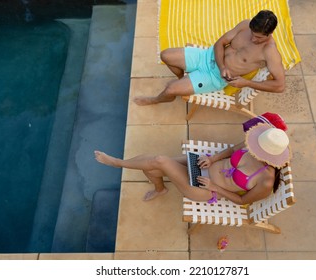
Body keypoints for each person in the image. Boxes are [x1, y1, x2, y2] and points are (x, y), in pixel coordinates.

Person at [94, 122, 291, 205]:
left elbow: (242, 201)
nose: (253, 147)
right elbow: (231, 150)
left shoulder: (265, 181)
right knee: (154, 164)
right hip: (202, 165)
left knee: (159, 161)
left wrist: (214, 186)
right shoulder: (253, 142)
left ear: (269, 156)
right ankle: (160, 189)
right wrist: (212, 159)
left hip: (207, 190)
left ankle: (118, 163)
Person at [134, 10, 285, 106]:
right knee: (165, 55)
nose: (253, 39)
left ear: (269, 34)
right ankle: (181, 79)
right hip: (208, 56)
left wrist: (246, 82)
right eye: (252, 33)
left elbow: (280, 86)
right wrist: (222, 66)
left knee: (170, 89)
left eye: (258, 38)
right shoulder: (245, 25)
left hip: (214, 77)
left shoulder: (270, 52)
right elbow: (220, 43)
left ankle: (157, 100)